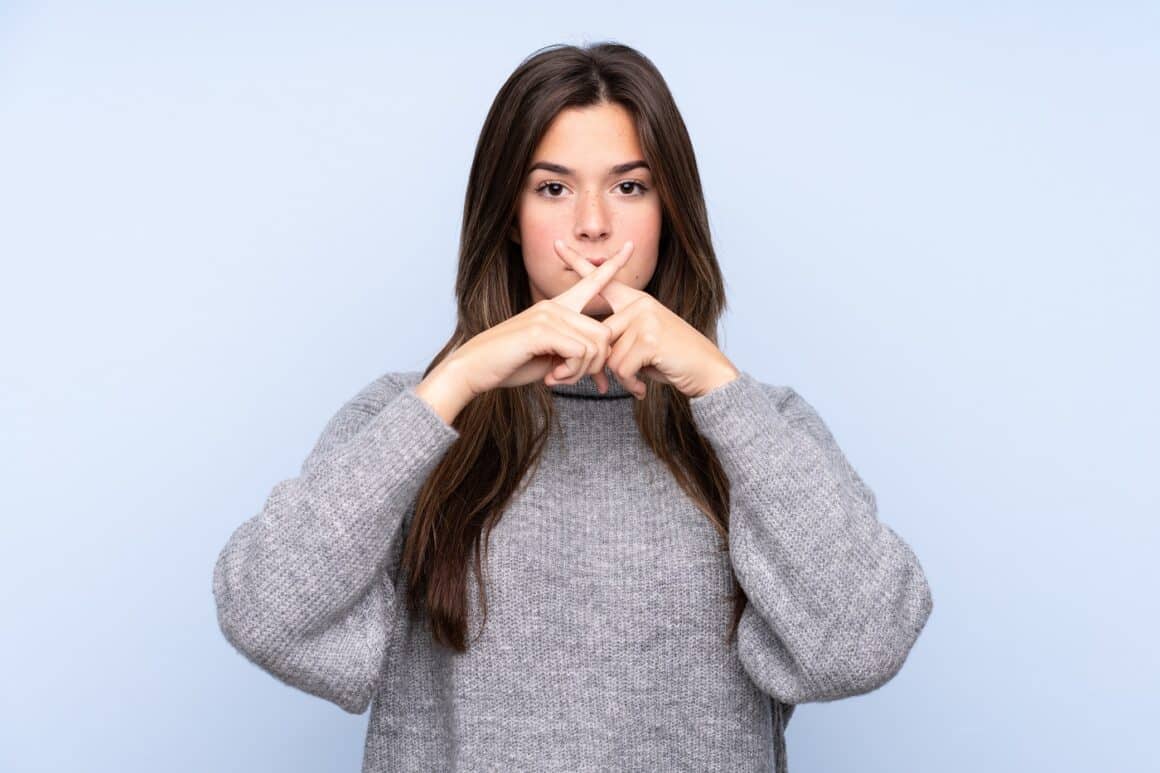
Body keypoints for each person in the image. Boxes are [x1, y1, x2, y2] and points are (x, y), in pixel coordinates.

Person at [212, 41, 934, 773]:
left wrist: (719, 386)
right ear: (508, 217)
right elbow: (265, 611)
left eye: (629, 188)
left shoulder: (760, 426)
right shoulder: (409, 418)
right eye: (553, 189)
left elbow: (863, 642)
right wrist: (457, 380)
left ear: (671, 212)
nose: (593, 226)